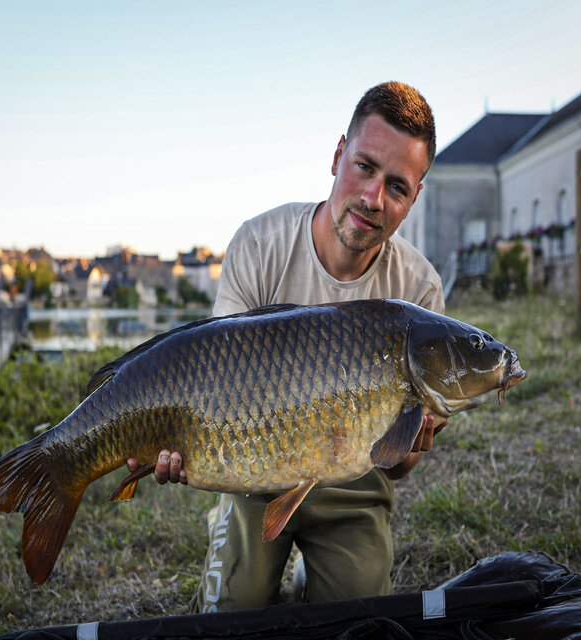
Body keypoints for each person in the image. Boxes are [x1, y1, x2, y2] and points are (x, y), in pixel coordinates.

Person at [131, 81, 446, 612]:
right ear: (337, 155)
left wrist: (408, 446)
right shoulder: (259, 244)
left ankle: (313, 572)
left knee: (359, 624)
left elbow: (397, 468)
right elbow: (210, 389)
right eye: (365, 167)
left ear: (414, 198)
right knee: (232, 615)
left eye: (397, 187)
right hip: (255, 470)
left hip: (354, 486)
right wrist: (172, 444)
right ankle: (242, 545)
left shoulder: (419, 291)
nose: (373, 199)